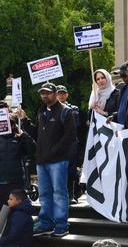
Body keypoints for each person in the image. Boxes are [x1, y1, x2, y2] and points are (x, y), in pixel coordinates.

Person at [33, 83, 75, 237]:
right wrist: (23, 121)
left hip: (58, 160)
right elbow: (35, 133)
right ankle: (46, 223)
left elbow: (70, 136)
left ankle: (62, 225)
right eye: (42, 93)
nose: (45, 96)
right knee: (44, 194)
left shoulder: (65, 111)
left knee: (59, 193)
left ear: (56, 93)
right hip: (42, 161)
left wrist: (53, 151)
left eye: (48, 93)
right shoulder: (41, 111)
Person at [0, 109, 36, 205]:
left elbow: (32, 149)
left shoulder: (20, 138)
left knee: (15, 210)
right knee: (2, 213)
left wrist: (24, 136)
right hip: (1, 181)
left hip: (15, 181)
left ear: (12, 125)